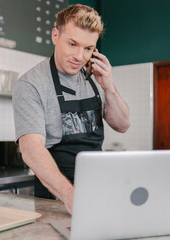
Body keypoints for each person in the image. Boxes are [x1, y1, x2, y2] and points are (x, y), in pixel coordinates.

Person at [12, 4, 130, 214]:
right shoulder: (31, 84)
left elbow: (122, 125)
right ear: (55, 35)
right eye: (72, 44)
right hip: (56, 194)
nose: (79, 56)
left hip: (98, 185)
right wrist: (69, 195)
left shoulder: (95, 78)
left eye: (88, 48)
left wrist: (109, 87)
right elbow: (31, 149)